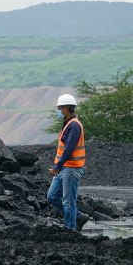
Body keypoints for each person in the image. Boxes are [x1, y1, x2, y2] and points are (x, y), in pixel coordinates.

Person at [46, 93, 88, 231]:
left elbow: (69, 149)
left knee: (68, 202)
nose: (59, 111)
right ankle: (77, 217)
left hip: (71, 169)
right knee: (52, 197)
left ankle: (70, 230)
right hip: (64, 168)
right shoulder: (68, 124)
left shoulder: (74, 126)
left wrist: (57, 166)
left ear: (66, 108)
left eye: (60, 108)